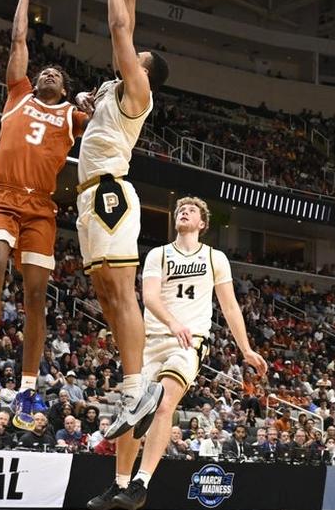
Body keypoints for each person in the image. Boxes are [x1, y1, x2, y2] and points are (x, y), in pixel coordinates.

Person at [91, 196, 266, 510]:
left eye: (192, 210)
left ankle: (141, 483)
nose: (184, 211)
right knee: (134, 409)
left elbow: (229, 306)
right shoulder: (158, 254)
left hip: (189, 341)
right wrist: (172, 323)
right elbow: (150, 297)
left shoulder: (215, 258)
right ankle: (119, 485)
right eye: (180, 209)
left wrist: (246, 349)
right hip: (151, 341)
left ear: (202, 223)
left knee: (162, 403)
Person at [0, 0, 89, 435]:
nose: (48, 72)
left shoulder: (72, 116)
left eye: (56, 74)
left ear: (62, 89)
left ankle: (25, 386)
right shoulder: (18, 94)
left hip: (41, 205)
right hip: (2, 197)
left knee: (37, 296)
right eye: (46, 70)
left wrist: (94, 98)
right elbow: (19, 42)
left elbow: (114, 116)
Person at [74, 0, 170, 446]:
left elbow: (119, 31)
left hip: (111, 192)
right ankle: (133, 386)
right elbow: (125, 31)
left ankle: (136, 386)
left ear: (146, 72)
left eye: (139, 57)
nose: (131, 55)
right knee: (106, 296)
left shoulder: (140, 92)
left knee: (122, 291)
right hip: (88, 197)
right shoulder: (116, 86)